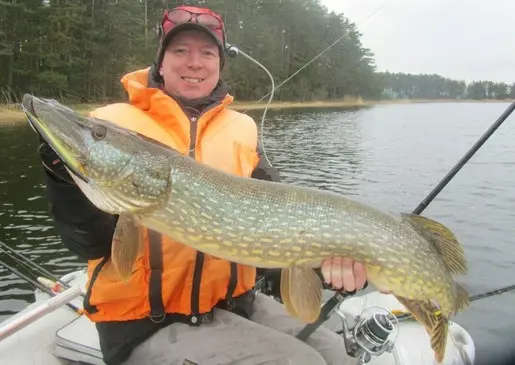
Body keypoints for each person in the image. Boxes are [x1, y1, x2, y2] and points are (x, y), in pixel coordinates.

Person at [37, 5, 368, 365]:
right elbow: (89, 243)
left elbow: (279, 228)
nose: (194, 62)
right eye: (180, 51)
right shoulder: (113, 124)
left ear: (219, 64)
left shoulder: (243, 132)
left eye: (207, 53)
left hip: (235, 305)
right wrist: (63, 181)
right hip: (146, 324)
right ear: (161, 62)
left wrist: (327, 266)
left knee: (336, 354)